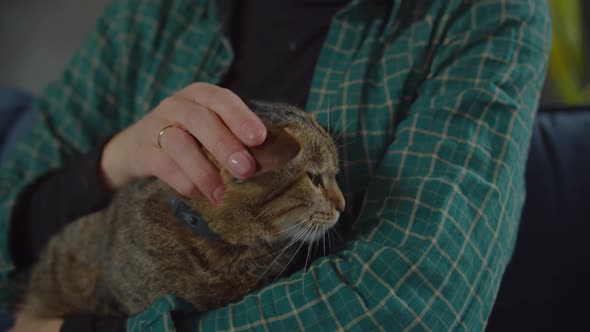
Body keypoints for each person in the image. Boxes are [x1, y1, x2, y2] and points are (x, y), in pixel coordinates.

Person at [0, 0, 550, 331]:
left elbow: (414, 302)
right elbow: (11, 198)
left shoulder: (485, 14)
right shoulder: (162, 10)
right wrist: (116, 158)